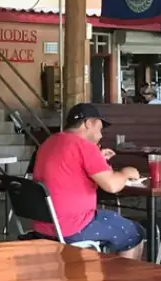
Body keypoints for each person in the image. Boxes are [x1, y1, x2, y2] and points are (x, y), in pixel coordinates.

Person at [31, 103, 145, 259]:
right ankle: (123, 275)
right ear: (88, 123)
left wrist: (98, 158)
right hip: (72, 227)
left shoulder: (49, 142)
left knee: (111, 220)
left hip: (44, 226)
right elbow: (112, 185)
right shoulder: (84, 146)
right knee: (134, 233)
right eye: (100, 128)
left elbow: (70, 167)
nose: (101, 135)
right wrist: (126, 173)